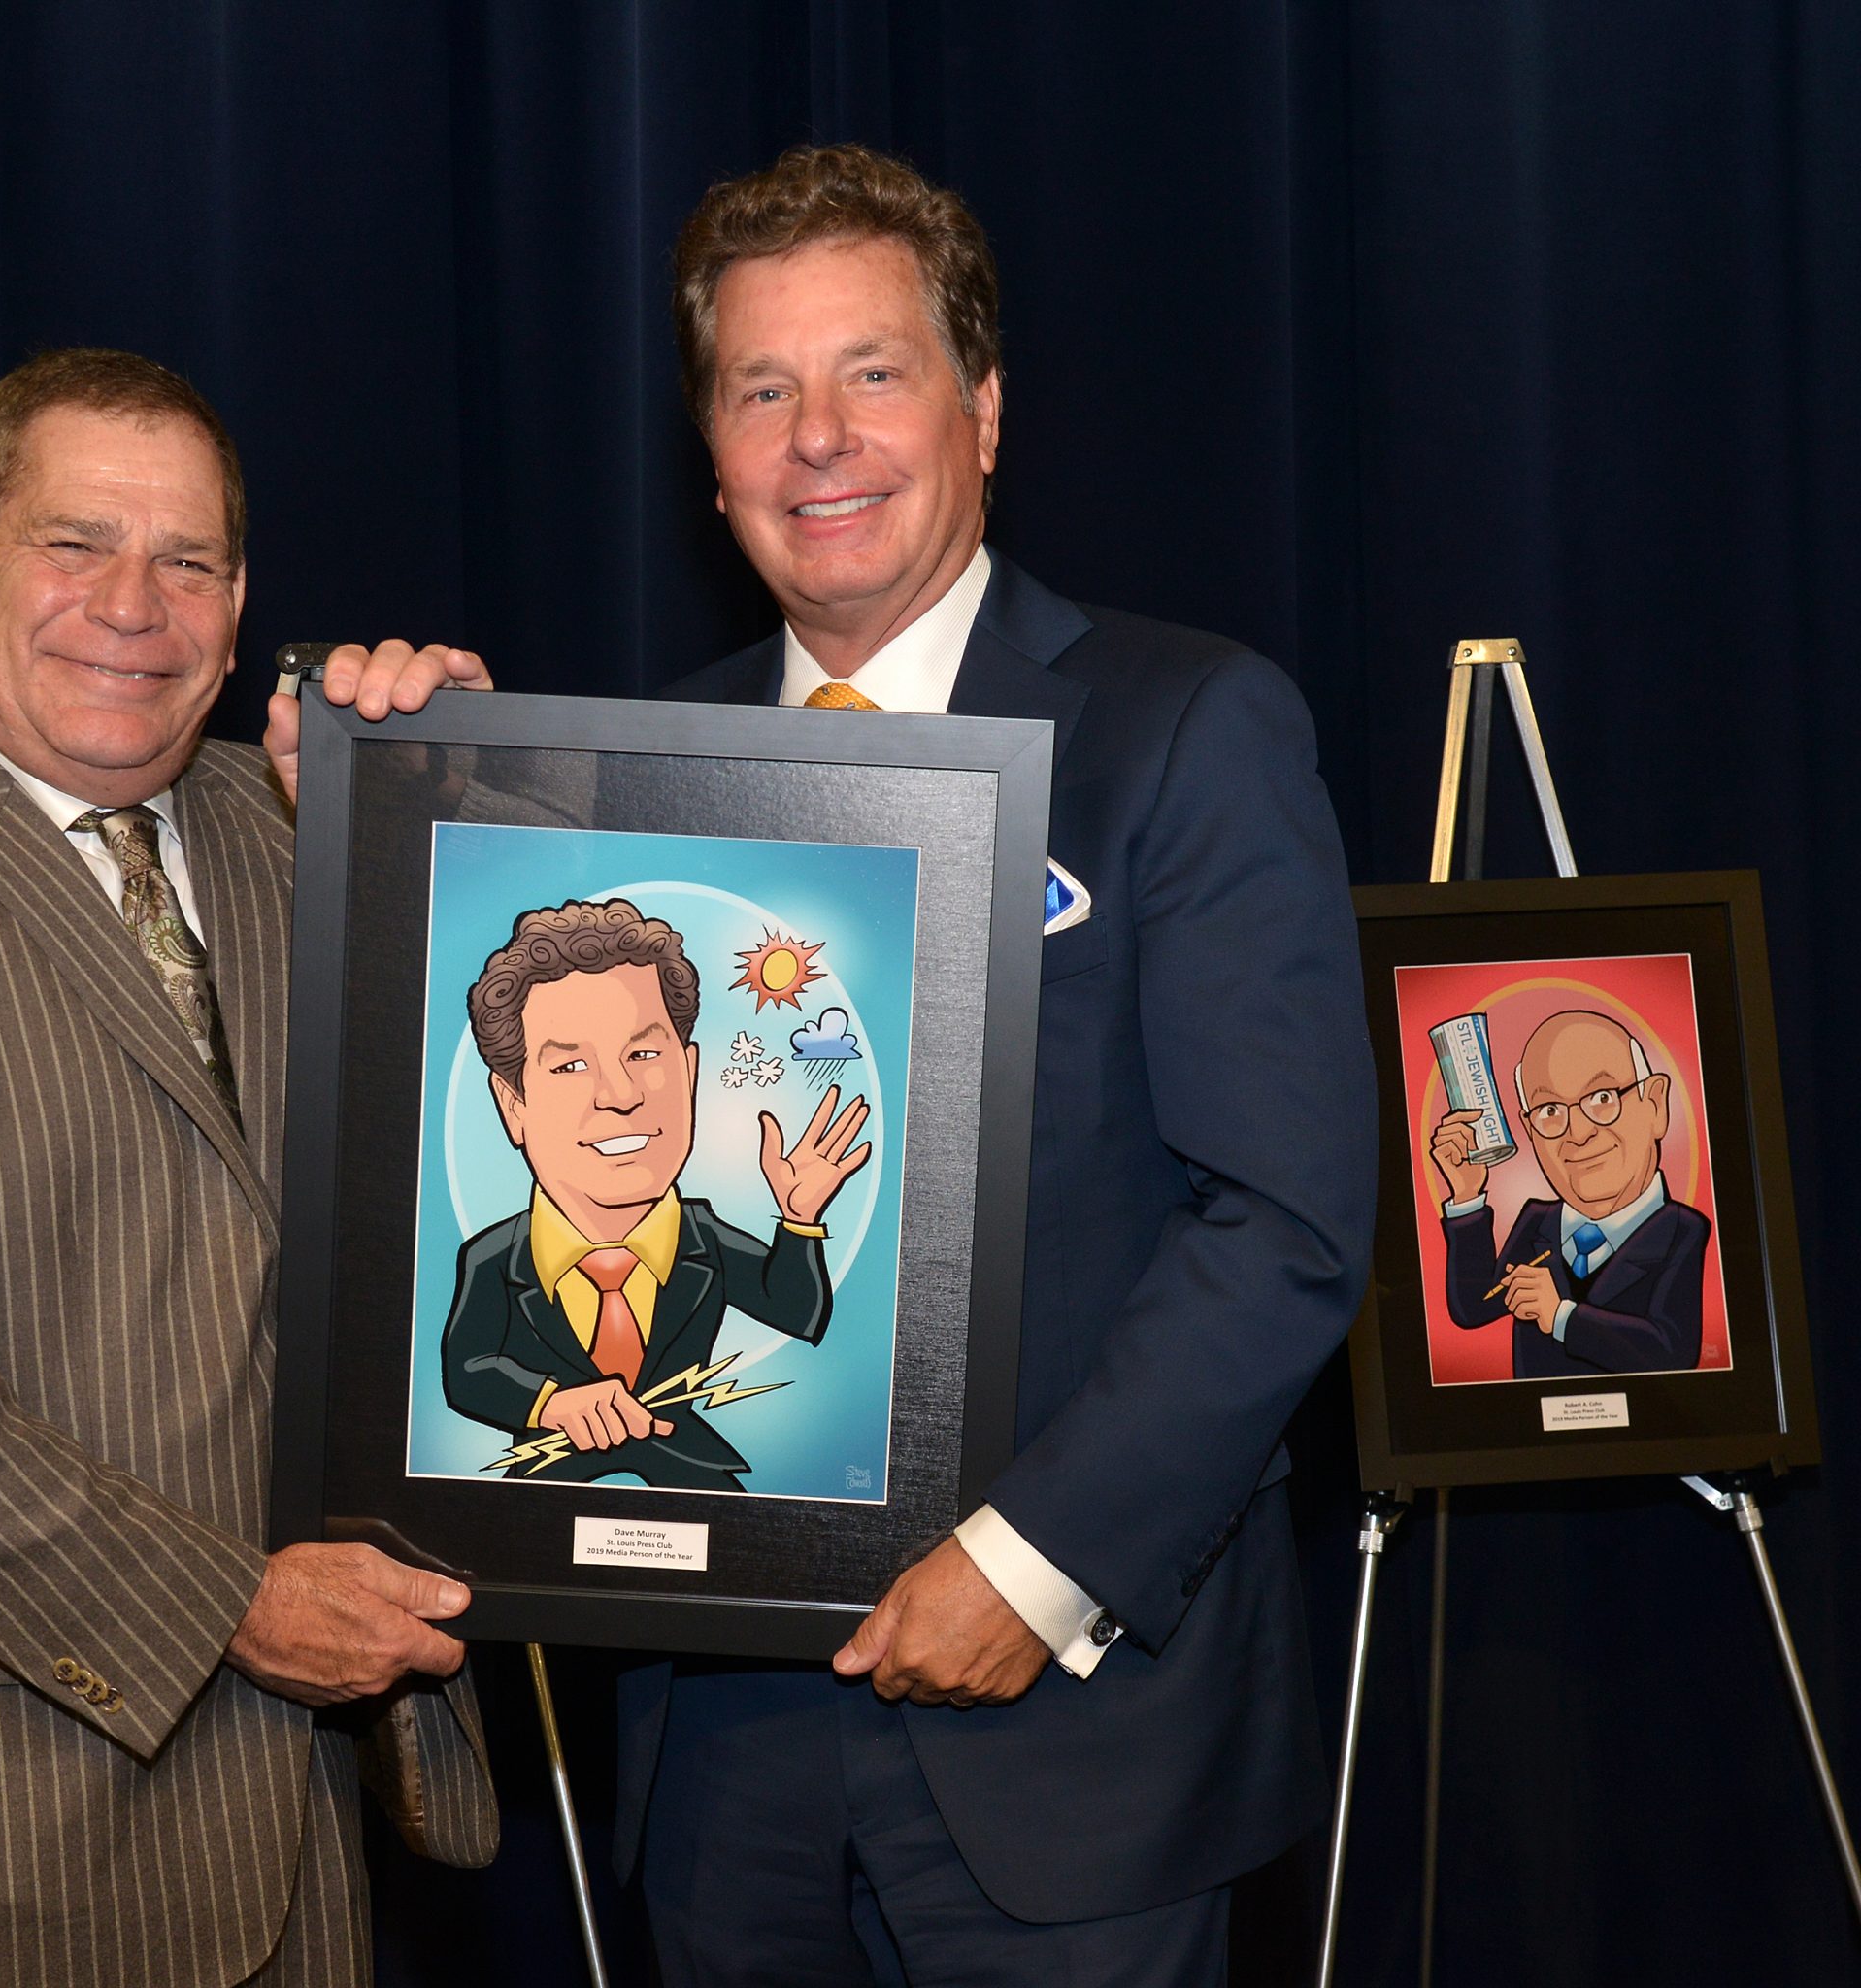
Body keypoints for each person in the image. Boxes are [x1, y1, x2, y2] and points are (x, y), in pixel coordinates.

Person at [611, 144, 1378, 1984]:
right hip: (720, 1756)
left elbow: (1283, 1224)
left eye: (873, 372)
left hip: (1069, 1736)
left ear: (986, 411)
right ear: (711, 457)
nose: (819, 437)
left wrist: (1029, 1567)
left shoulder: (1185, 726)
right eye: (762, 390)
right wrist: (377, 782)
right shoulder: (627, 769)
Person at [0, 348, 495, 1988]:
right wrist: (234, 1607)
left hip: (289, 1847)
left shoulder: (307, 834)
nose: (133, 605)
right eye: (75, 544)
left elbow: (530, 1133)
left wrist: (463, 809)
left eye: (188, 561)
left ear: (240, 609)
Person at [439, 896, 871, 1488]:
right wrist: (551, 1404)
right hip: (545, 1478)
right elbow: (467, 1371)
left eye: (643, 1055)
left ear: (689, 1075)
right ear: (514, 1107)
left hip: (688, 1470)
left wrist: (800, 1219)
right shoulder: (492, 1259)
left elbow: (799, 1314)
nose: (620, 1095)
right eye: (570, 1067)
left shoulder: (705, 1240)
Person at [1433, 1008, 1709, 1376]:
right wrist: (1467, 1194)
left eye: (1603, 1098)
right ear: (1529, 1131)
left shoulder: (1681, 1229)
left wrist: (1562, 1316)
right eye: (1549, 1111)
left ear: (1655, 1104)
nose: (1577, 1133)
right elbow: (1474, 1308)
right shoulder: (1538, 1221)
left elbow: (1672, 1351)